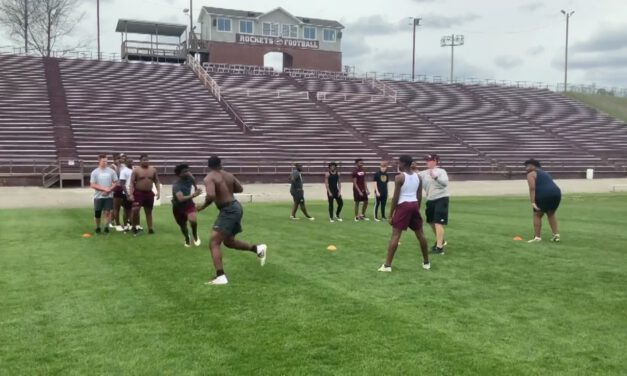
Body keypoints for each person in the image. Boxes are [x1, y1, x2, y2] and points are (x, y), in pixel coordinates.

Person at [196, 156, 267, 285]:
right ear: (220, 164)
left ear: (208, 166)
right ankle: (257, 249)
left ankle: (220, 276)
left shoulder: (209, 177)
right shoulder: (228, 175)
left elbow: (211, 195)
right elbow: (240, 189)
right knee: (229, 242)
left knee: (214, 242)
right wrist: (225, 188)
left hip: (228, 210)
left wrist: (201, 207)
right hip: (236, 207)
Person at [378, 155, 430, 272]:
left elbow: (395, 198)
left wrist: (391, 215)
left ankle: (387, 266)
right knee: (420, 234)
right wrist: (417, 207)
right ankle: (426, 262)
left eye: (399, 163)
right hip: (414, 205)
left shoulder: (399, 177)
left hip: (403, 206)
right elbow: (419, 195)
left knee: (395, 235)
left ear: (404, 164)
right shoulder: (418, 177)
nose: (398, 165)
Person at [419, 154, 450, 255]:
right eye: (427, 160)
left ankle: (439, 248)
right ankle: (441, 240)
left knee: (438, 222)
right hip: (430, 199)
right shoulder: (423, 173)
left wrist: (436, 177)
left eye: (430, 160)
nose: (428, 162)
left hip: (441, 198)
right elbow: (414, 177)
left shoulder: (441, 171)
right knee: (431, 222)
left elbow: (445, 183)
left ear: (436, 161)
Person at [525, 159, 561, 242]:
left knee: (537, 214)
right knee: (551, 213)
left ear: (534, 166)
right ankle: (556, 235)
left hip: (544, 194)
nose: (526, 168)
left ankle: (537, 237)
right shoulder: (545, 173)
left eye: (528, 165)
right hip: (556, 193)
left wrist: (533, 202)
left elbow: (532, 188)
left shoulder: (531, 174)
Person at [172, 164, 203, 247]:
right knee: (183, 225)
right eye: (184, 172)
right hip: (178, 207)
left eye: (188, 171)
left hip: (189, 204)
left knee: (193, 221)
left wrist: (196, 187)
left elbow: (193, 180)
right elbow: (180, 199)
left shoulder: (189, 178)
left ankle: (195, 235)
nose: (187, 173)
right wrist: (194, 195)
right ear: (179, 174)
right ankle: (187, 237)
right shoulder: (176, 185)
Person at [129, 154, 160, 235]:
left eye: (147, 160)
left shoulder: (153, 170)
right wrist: (131, 194)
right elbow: (131, 182)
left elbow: (156, 181)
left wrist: (158, 191)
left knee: (148, 211)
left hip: (149, 193)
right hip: (138, 192)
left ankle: (150, 228)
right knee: (135, 209)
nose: (146, 161)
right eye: (144, 160)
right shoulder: (136, 170)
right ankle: (134, 226)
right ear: (140, 161)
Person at [89, 154, 118, 234]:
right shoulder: (95, 172)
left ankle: (106, 227)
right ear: (99, 161)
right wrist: (104, 189)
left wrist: (109, 190)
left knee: (107, 212)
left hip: (108, 196)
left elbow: (116, 182)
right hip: (98, 196)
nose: (105, 162)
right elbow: (92, 184)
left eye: (106, 161)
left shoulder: (111, 171)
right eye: (103, 161)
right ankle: (98, 227)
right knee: (97, 213)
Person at [118, 158, 134, 231]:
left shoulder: (134, 170)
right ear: (126, 163)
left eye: (131, 161)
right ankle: (125, 226)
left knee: (132, 210)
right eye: (129, 162)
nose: (131, 163)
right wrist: (127, 194)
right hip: (126, 193)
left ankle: (131, 224)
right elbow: (122, 184)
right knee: (126, 210)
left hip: (133, 193)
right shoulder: (124, 171)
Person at [111, 153, 126, 229]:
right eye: (117, 159)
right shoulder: (112, 167)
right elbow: (114, 177)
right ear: (114, 159)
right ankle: (117, 224)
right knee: (116, 207)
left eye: (119, 158)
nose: (118, 160)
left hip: (124, 188)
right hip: (116, 188)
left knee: (124, 206)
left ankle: (112, 220)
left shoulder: (123, 166)